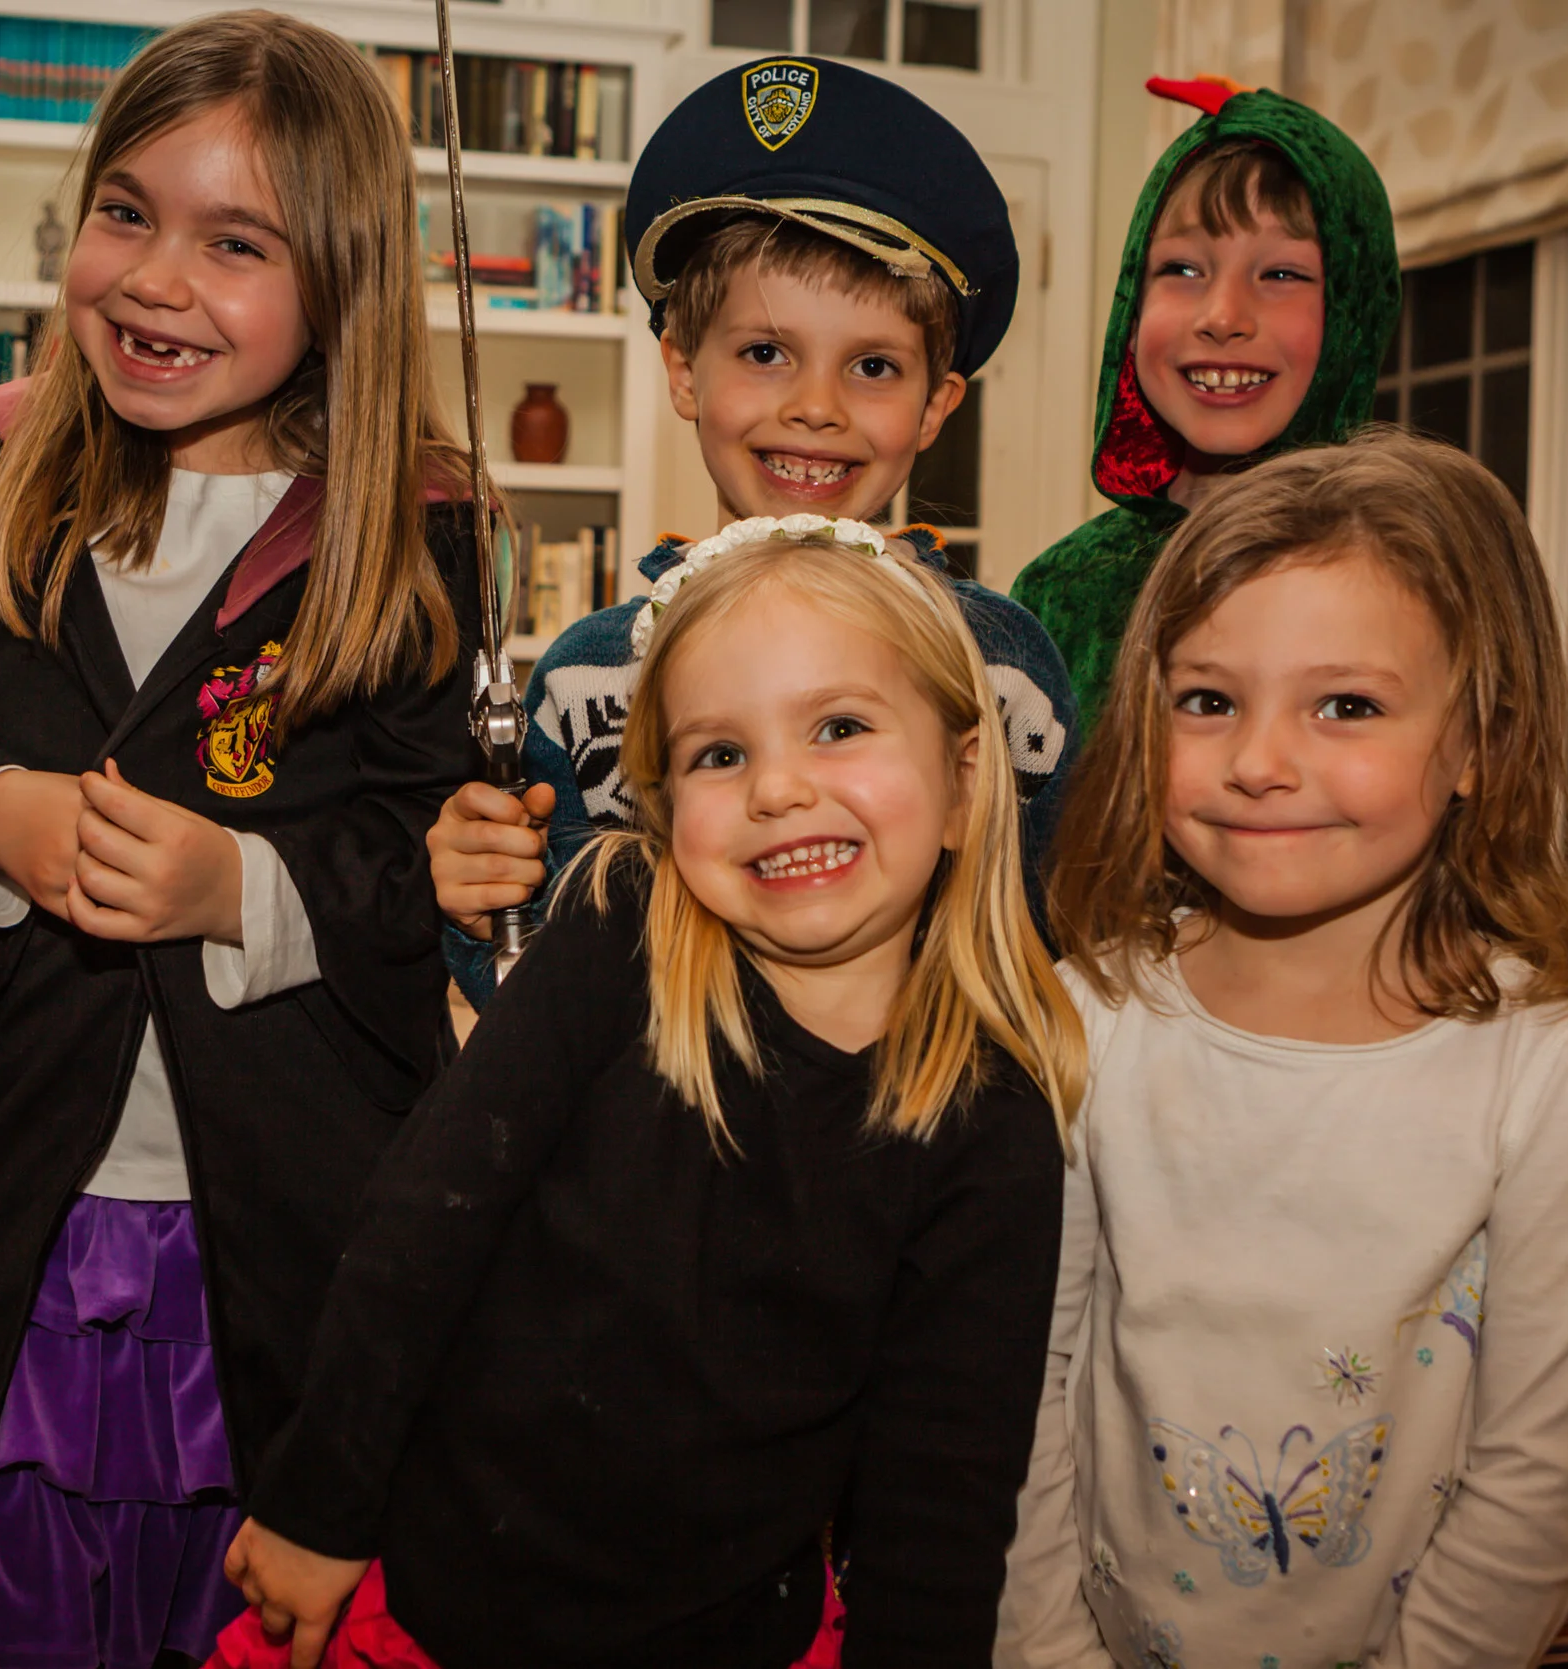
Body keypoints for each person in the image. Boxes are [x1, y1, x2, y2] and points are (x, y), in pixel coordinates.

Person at [0, 15, 481, 1668]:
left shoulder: (416, 527)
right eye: (126, 213)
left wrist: (240, 887)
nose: (155, 280)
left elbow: (427, 850)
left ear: (342, 283)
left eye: (236, 243)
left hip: (288, 1229)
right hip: (35, 1216)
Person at [219, 518, 1085, 1669]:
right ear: (663, 804)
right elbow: (419, 1229)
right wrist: (315, 1504)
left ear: (967, 778)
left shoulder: (991, 1116)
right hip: (429, 1606)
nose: (778, 788)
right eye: (718, 753)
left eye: (838, 727)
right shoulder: (612, 933)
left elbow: (941, 1495)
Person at [995, 431, 1568, 1668]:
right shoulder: (1088, 1020)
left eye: (1346, 705)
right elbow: (1020, 1403)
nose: (1257, 763)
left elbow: (1542, 1484)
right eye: (1207, 701)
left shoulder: (1554, 1076)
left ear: (1481, 745)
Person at [428, 57, 1075, 1007]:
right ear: (685, 371)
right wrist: (483, 908)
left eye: (873, 366)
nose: (815, 406)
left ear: (937, 406)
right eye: (766, 352)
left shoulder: (1005, 669)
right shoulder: (587, 680)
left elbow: (1044, 955)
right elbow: (539, 1004)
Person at [1010, 75, 1399, 738]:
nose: (1222, 316)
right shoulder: (1058, 592)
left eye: (1281, 274)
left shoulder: (1402, 582)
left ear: (1352, 317)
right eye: (1183, 270)